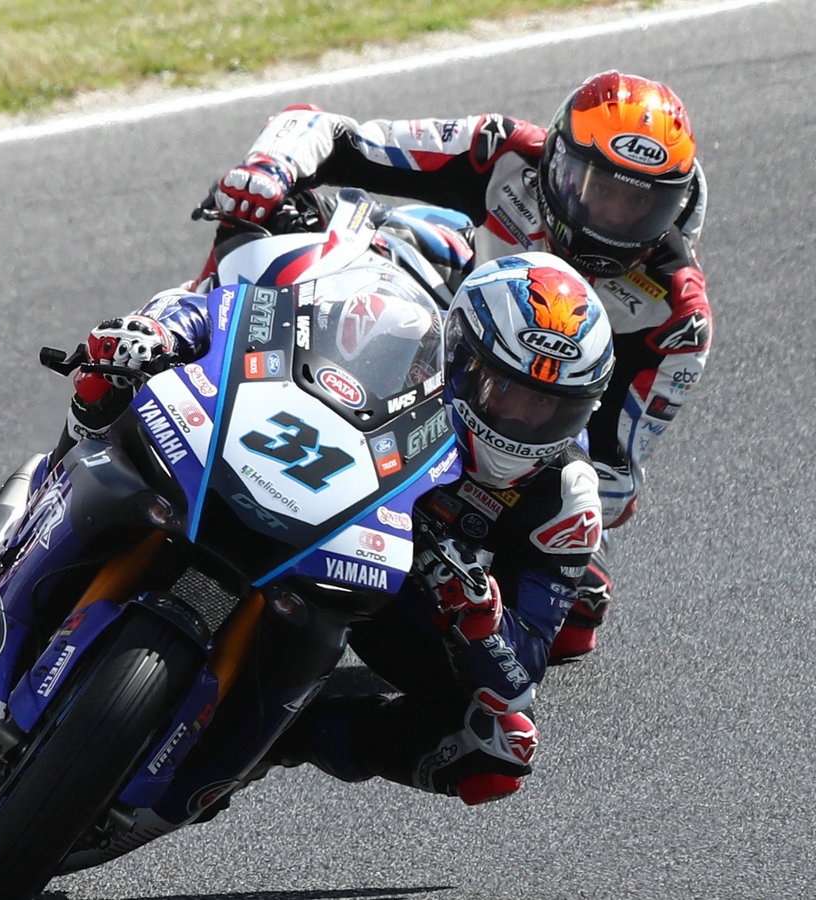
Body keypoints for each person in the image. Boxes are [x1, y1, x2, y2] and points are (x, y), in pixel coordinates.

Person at [67, 251, 612, 805]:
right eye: (507, 389)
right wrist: (167, 334)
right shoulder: (401, 332)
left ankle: (283, 738)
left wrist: (479, 614)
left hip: (392, 593)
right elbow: (248, 314)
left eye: (548, 406)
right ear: (462, 357)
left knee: (500, 748)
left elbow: (522, 671)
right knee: (111, 377)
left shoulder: (568, 496)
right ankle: (37, 509)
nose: (523, 419)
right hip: (302, 477)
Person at [205, 71, 711, 661]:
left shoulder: (676, 314)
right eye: (601, 190)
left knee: (572, 618)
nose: (613, 218)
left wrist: (490, 491)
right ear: (558, 164)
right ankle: (190, 361)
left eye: (640, 203)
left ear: (675, 206)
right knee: (278, 215)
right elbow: (330, 133)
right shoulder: (503, 152)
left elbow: (615, 479)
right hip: (444, 319)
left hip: (517, 430)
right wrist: (269, 169)